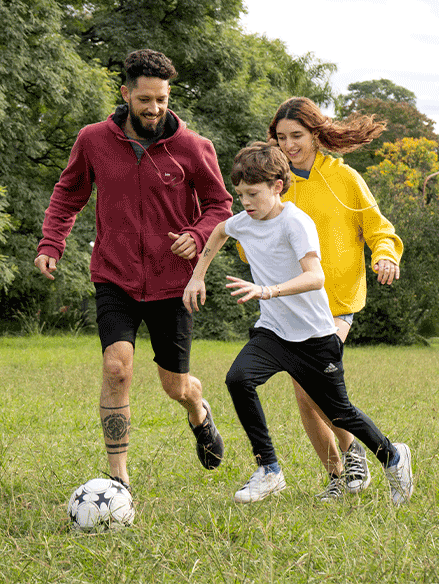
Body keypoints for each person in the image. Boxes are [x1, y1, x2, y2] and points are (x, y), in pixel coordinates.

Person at [34, 49, 233, 489]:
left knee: (175, 386)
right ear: (126, 94)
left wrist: (198, 234)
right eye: (144, 99)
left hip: (171, 283)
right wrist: (52, 242)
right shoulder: (93, 140)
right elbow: (69, 193)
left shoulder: (194, 147)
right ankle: (118, 479)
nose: (154, 108)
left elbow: (220, 205)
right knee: (116, 368)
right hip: (114, 275)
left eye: (161, 98)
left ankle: (198, 409)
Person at [183, 142, 413, 506]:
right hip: (274, 332)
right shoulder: (243, 220)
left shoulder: (296, 222)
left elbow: (315, 278)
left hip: (314, 337)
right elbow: (219, 232)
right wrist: (198, 275)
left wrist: (267, 291)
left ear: (277, 186)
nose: (245, 201)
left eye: (253, 193)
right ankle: (269, 469)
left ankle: (393, 457)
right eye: (240, 194)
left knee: (340, 412)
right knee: (238, 379)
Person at [266, 97, 404, 501]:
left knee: (309, 386)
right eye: (281, 138)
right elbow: (254, 234)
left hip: (338, 301)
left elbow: (379, 228)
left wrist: (385, 255)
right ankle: (341, 474)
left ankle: (352, 461)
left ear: (316, 134)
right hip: (292, 304)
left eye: (297, 136)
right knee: (304, 389)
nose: (289, 146)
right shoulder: (275, 185)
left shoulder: (344, 179)